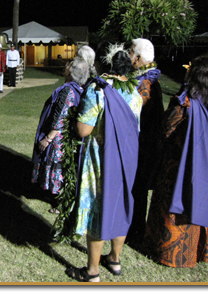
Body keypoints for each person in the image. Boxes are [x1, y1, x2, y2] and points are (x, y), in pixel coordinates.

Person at [66, 44, 142, 282]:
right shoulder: (136, 94)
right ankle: (115, 259)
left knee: (98, 209)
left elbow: (83, 130)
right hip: (126, 158)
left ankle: (92, 272)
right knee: (119, 206)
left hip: (101, 159)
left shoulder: (97, 91)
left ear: (104, 67)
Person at [143, 54, 208, 268]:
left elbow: (166, 130)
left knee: (172, 204)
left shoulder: (185, 103)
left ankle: (169, 254)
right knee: (196, 200)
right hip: (205, 165)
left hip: (178, 165)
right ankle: (192, 253)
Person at [31, 57, 91, 213]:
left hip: (59, 137)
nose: (65, 67)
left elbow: (62, 116)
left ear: (72, 72)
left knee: (59, 167)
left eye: (68, 65)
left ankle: (60, 203)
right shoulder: (79, 88)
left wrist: (48, 138)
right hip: (68, 135)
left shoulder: (68, 91)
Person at [125, 38, 165, 246]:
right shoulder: (150, 79)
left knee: (137, 190)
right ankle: (135, 228)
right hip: (145, 145)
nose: (128, 55)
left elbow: (135, 117)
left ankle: (135, 230)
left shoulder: (145, 83)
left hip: (141, 147)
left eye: (130, 52)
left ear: (138, 58)